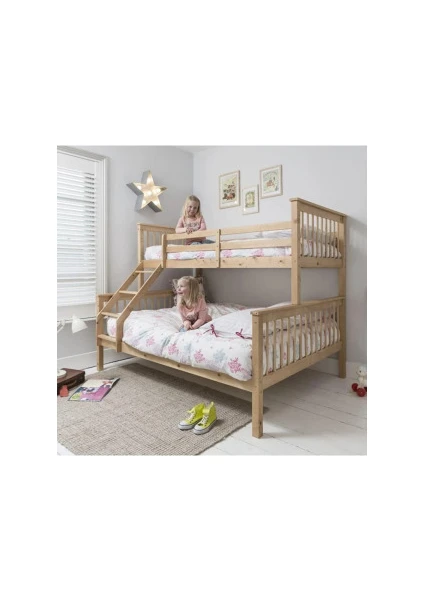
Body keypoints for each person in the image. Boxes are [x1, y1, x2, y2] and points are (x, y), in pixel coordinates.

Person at [176, 275, 217, 434]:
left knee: (206, 331)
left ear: (191, 289)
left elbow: (202, 318)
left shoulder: (200, 300)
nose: (178, 289)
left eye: (182, 286)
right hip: (191, 323)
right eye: (178, 286)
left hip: (203, 321)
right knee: (182, 331)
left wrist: (194, 327)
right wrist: (187, 324)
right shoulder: (180, 302)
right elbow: (184, 319)